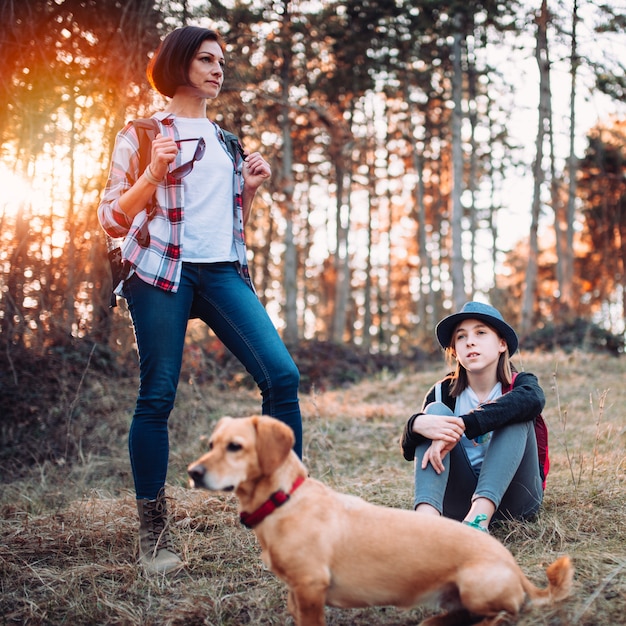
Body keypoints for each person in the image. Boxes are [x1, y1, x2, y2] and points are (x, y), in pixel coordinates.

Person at [98, 25, 303, 574]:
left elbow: (230, 226)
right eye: (206, 59)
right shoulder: (141, 132)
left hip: (221, 273)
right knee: (158, 394)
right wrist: (152, 173)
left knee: (281, 378)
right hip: (160, 273)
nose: (217, 69)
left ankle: (284, 510)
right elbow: (110, 217)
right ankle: (155, 532)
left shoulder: (227, 141)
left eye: (221, 61)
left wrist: (250, 193)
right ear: (179, 63)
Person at [400, 301, 545, 532]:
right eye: (461, 337)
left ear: (501, 343)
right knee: (435, 414)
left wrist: (464, 424)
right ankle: (424, 526)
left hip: (516, 498)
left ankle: (478, 522)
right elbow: (411, 452)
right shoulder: (441, 392)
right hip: (459, 500)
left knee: (516, 410)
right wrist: (416, 425)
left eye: (480, 332)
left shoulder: (521, 385)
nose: (470, 341)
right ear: (455, 351)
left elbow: (534, 400)